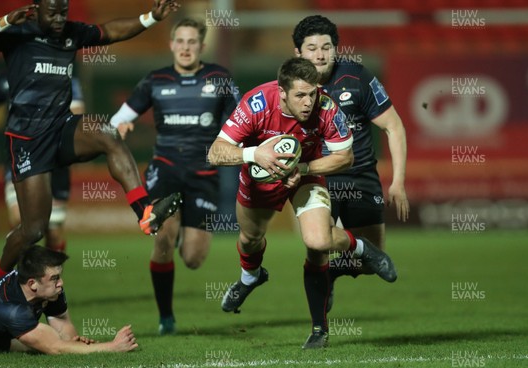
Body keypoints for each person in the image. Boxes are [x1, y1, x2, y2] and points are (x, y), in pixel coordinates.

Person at [0, 0, 183, 282]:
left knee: (107, 133)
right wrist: (3, 21)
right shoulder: (19, 32)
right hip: (27, 140)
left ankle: (145, 212)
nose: (58, 19)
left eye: (63, 13)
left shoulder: (71, 33)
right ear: (37, 9)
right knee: (34, 229)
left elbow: (109, 32)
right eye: (52, 13)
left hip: (62, 128)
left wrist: (151, 17)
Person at [207, 57, 397, 349]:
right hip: (259, 178)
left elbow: (345, 157)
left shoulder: (326, 107)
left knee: (318, 242)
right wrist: (255, 154)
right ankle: (251, 277)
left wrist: (303, 170)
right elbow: (215, 153)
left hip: (304, 175)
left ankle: (322, 325)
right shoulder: (256, 103)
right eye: (299, 95)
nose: (308, 102)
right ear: (282, 92)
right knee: (249, 239)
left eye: (312, 93)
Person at [110, 18, 240, 335]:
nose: (185, 47)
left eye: (192, 42)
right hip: (164, 170)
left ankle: (180, 228)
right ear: (171, 44)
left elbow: (242, 117)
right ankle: (166, 317)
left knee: (194, 258)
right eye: (180, 41)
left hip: (205, 174)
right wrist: (121, 126)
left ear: (201, 45)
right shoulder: (155, 80)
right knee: (164, 237)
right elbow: (117, 120)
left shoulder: (219, 78)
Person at [292, 15, 409, 310]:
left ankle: (333, 272)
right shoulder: (289, 86)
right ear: (298, 53)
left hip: (360, 176)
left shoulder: (357, 78)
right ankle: (319, 330)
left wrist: (398, 182)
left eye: (326, 47)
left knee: (370, 262)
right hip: (317, 178)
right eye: (312, 48)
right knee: (317, 249)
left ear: (335, 49)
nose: (320, 54)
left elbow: (394, 126)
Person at [0, 245, 138, 353]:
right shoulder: (10, 310)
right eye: (55, 278)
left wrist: (75, 343)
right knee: (32, 345)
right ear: (32, 284)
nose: (61, 283)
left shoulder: (48, 288)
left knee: (28, 343)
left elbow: (64, 331)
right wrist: (112, 346)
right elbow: (55, 347)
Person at [0, 69, 86, 252]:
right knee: (19, 220)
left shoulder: (63, 75)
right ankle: (15, 276)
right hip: (21, 157)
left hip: (56, 163)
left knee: (53, 233)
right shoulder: (6, 76)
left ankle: (52, 278)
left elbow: (78, 113)